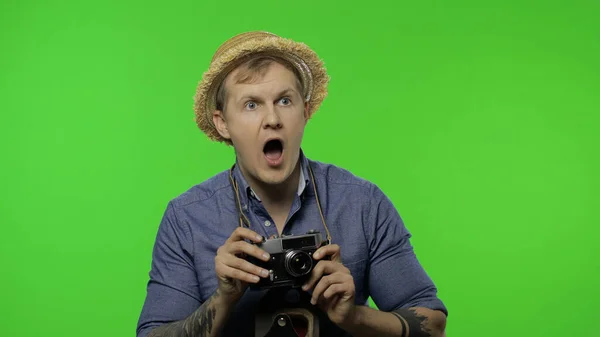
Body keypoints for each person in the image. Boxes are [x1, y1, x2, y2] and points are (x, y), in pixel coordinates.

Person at [136, 31, 448, 337]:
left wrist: (352, 316)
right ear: (223, 123)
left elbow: (434, 325)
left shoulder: (363, 204)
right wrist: (224, 299)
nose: (272, 119)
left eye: (284, 100)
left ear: (305, 111)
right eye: (251, 104)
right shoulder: (186, 218)